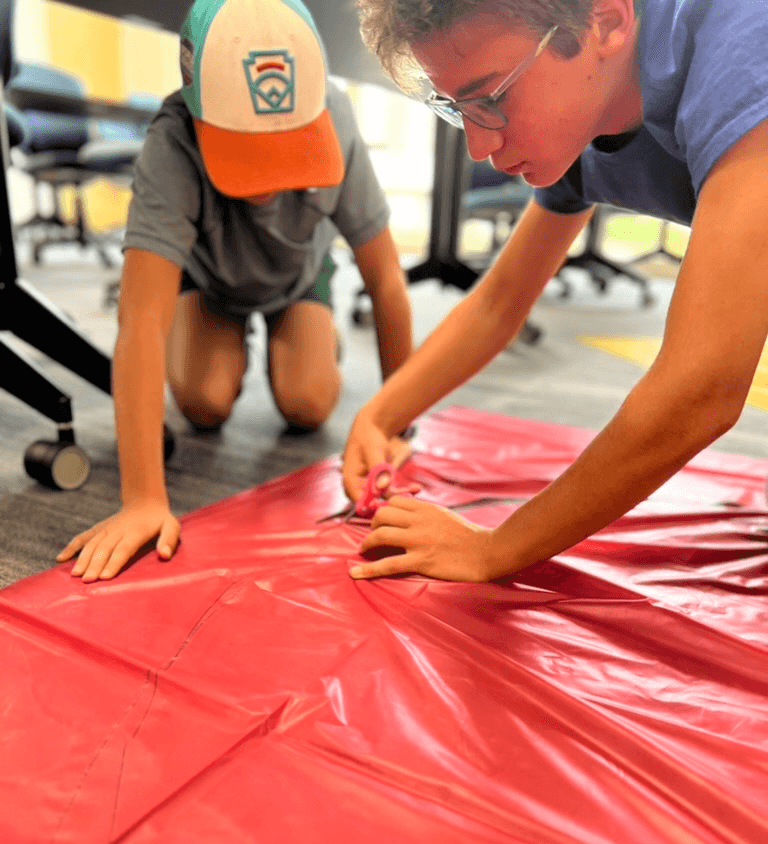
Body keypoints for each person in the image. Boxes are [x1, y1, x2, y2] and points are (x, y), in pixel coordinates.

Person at [342, 0, 768, 582]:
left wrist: (496, 548)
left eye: (490, 99)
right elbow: (498, 304)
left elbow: (702, 390)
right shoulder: (588, 114)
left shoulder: (743, 40)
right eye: (455, 108)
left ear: (608, 23)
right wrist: (379, 415)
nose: (477, 147)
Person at [57, 0, 413, 582]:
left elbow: (387, 282)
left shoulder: (339, 118)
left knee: (307, 405)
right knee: (204, 404)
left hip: (300, 278)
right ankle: (227, 334)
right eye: (250, 155)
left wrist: (397, 425)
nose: (270, 182)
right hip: (212, 280)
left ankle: (302, 338)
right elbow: (140, 319)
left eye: (286, 150)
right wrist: (143, 498)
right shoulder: (172, 144)